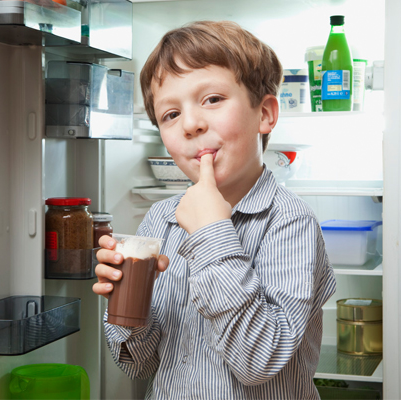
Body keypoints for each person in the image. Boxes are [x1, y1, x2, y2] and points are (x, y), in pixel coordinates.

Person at [93, 20, 336, 399]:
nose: (190, 124)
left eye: (212, 99)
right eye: (170, 115)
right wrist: (127, 306)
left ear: (265, 114)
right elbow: (139, 365)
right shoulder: (161, 219)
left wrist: (211, 234)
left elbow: (259, 361)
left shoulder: (290, 222)